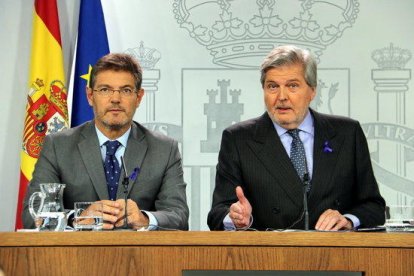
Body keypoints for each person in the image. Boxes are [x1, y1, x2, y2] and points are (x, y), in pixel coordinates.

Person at [207, 45, 385, 231]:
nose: (282, 97)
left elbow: (374, 207)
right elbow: (217, 213)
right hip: (268, 256)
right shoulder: (238, 139)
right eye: (273, 86)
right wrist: (235, 218)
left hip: (334, 256)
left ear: (312, 91)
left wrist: (348, 220)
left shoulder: (347, 133)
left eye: (292, 86)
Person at [23, 53, 189, 230]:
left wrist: (145, 219)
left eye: (126, 90)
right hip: (76, 255)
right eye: (105, 90)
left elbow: (178, 216)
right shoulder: (58, 146)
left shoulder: (164, 149)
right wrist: (77, 218)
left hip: (140, 255)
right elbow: (31, 214)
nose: (115, 99)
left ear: (139, 97)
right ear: (89, 96)